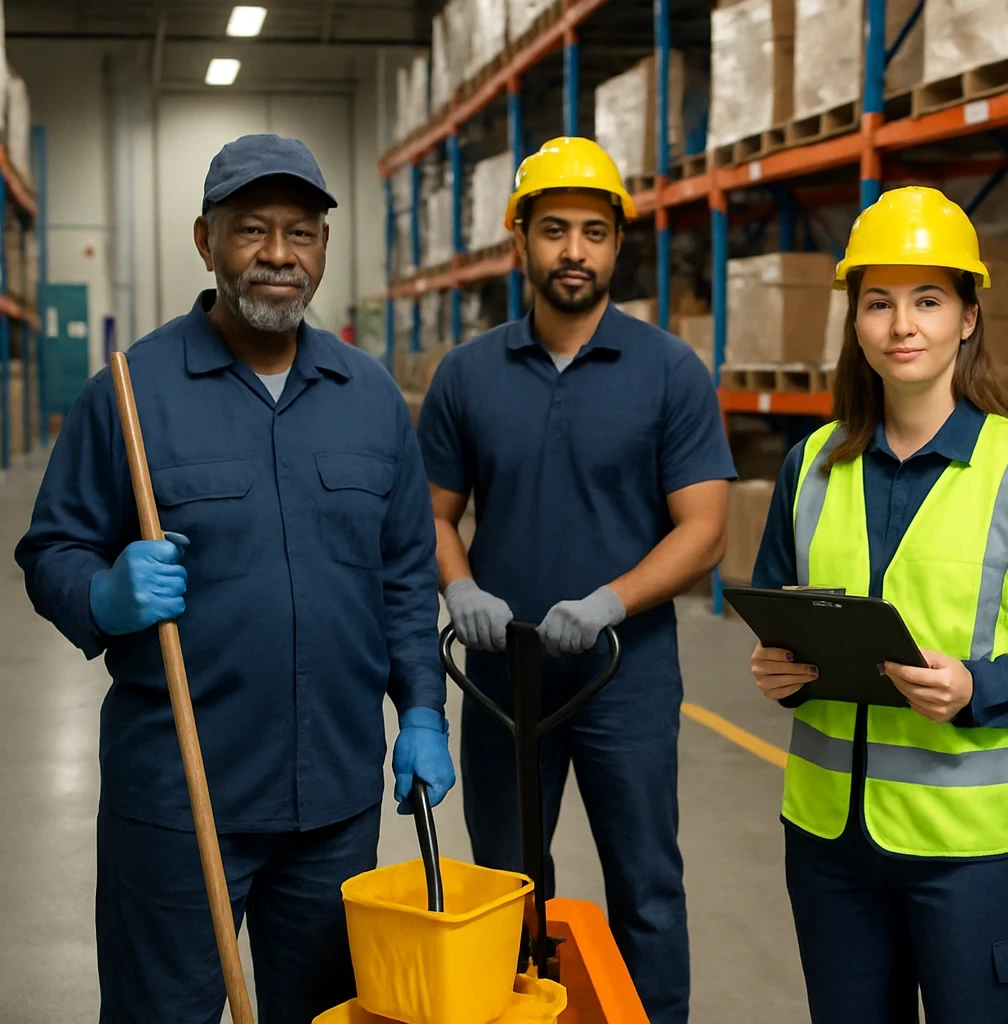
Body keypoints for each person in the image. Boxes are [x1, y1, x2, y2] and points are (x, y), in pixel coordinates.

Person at [15, 134, 454, 1024]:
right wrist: (102, 594)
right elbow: (51, 550)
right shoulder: (131, 392)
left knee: (329, 1014)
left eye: (301, 232)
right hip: (181, 797)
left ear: (325, 248)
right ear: (204, 240)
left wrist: (419, 709)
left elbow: (405, 572)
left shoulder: (369, 398)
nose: (278, 255)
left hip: (331, 800)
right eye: (251, 229)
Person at [746, 186, 1008, 1023]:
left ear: (969, 318)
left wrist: (976, 688)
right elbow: (777, 613)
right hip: (831, 843)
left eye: (929, 300)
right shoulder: (810, 467)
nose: (903, 325)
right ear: (856, 322)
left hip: (975, 852)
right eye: (880, 303)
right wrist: (777, 670)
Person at [417, 136, 734, 1024]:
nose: (573, 251)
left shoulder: (668, 370)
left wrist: (610, 603)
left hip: (622, 676)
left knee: (645, 884)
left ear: (616, 245)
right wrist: (460, 588)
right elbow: (433, 515)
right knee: (505, 885)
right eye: (553, 230)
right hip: (502, 679)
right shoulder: (468, 374)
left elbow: (705, 528)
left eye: (594, 233)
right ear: (519, 240)